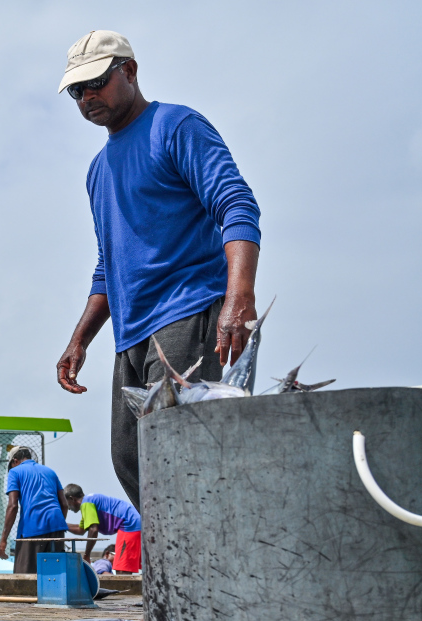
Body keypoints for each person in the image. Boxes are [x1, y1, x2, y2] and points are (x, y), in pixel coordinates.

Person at [53, 30, 262, 510]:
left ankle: (214, 566)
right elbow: (109, 264)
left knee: (181, 452)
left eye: (96, 83)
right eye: (76, 91)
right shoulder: (98, 169)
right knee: (129, 456)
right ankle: (181, 560)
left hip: (186, 312)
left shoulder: (177, 126)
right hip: (130, 335)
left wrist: (238, 297)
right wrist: (79, 339)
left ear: (129, 70)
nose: (86, 98)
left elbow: (237, 205)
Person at [0, 446, 69, 574]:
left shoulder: (15, 472)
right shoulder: (50, 471)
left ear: (15, 461)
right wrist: (56, 524)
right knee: (54, 574)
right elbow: (64, 504)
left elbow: (13, 506)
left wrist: (3, 539)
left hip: (33, 526)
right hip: (57, 525)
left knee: (24, 575)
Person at [64, 484, 142, 573]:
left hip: (129, 524)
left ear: (72, 498)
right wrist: (61, 525)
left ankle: (126, 587)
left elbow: (93, 530)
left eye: (67, 503)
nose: (68, 508)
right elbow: (80, 529)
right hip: (135, 522)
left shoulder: (86, 503)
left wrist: (86, 555)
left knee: (122, 568)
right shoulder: (89, 502)